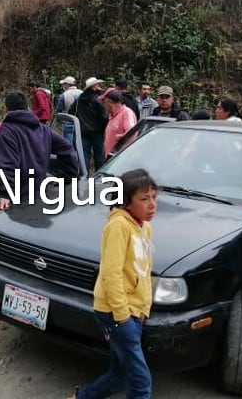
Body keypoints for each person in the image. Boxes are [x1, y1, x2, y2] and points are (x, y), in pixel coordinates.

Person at [67, 169, 157, 399]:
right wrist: (122, 316)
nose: (152, 204)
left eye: (154, 197)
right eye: (144, 199)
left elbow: (143, 272)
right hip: (116, 313)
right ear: (126, 202)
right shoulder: (118, 226)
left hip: (134, 312)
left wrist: (143, 309)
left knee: (121, 374)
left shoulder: (143, 227)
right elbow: (111, 273)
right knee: (141, 383)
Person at [0, 91, 78, 211]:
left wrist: (5, 194)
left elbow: (8, 164)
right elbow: (68, 149)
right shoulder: (43, 129)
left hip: (16, 195)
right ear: (28, 108)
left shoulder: (6, 131)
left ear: (6, 109)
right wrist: (68, 176)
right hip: (38, 192)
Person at [69, 77, 109, 171]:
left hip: (82, 131)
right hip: (97, 131)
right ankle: (99, 175)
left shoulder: (79, 100)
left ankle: (84, 175)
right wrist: (105, 129)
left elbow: (71, 111)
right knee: (99, 155)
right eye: (98, 85)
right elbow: (104, 116)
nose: (99, 87)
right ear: (93, 87)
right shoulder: (98, 100)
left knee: (84, 155)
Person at [103, 90, 137, 157]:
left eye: (104, 102)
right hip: (111, 156)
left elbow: (132, 131)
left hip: (120, 156)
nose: (104, 105)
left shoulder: (126, 112)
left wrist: (123, 136)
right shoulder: (113, 114)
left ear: (109, 102)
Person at [56, 76, 82, 143]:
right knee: (79, 144)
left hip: (68, 122)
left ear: (68, 84)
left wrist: (59, 121)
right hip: (81, 122)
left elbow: (59, 110)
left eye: (64, 84)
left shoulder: (63, 95)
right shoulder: (82, 93)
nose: (63, 86)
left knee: (68, 144)